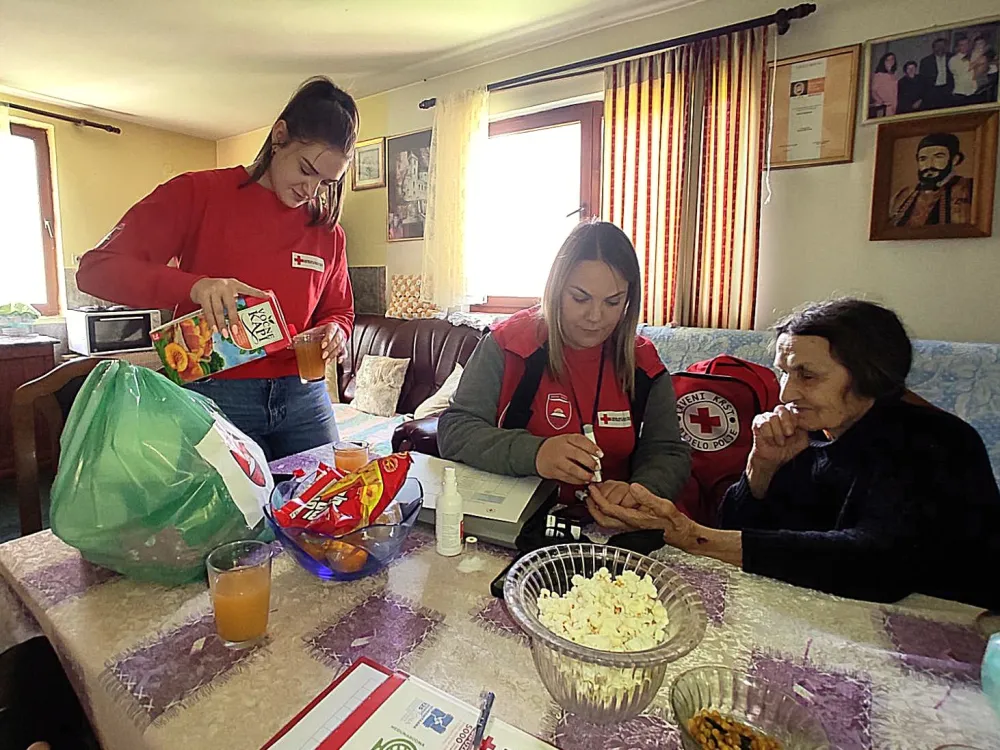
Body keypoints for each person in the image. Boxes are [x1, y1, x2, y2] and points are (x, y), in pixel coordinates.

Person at [589, 299, 1000, 609]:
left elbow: (878, 564)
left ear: (871, 376)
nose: (786, 393)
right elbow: (741, 530)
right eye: (784, 372)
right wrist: (760, 470)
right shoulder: (812, 431)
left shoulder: (936, 442)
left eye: (808, 375)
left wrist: (693, 536)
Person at [77, 77, 358, 460]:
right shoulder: (197, 193)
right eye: (305, 169)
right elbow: (94, 270)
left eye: (326, 182)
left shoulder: (328, 232)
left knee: (325, 494)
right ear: (279, 137)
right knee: (223, 502)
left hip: (303, 394)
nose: (311, 191)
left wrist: (335, 330)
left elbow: (339, 310)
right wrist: (196, 287)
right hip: (216, 392)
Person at [438, 221, 691, 512]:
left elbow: (669, 452)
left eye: (612, 302)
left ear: (629, 301)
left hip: (612, 523)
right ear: (556, 290)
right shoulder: (507, 344)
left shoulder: (644, 364)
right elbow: (454, 431)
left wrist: (639, 492)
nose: (595, 316)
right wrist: (536, 453)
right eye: (580, 298)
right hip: (515, 516)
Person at [889, 133, 973, 227]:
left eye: (938, 157)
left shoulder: (969, 188)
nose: (929, 165)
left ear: (954, 159)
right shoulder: (904, 195)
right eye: (923, 159)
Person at [919, 37, 955, 109]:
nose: (940, 48)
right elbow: (922, 80)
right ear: (933, 48)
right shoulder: (926, 61)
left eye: (943, 45)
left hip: (948, 90)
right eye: (938, 46)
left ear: (946, 47)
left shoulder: (952, 58)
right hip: (933, 91)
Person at [950, 34, 978, 102]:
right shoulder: (953, 60)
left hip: (974, 92)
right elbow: (964, 72)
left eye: (967, 44)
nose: (965, 46)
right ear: (958, 47)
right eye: (962, 45)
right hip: (960, 93)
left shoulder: (974, 56)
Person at [870, 53, 899, 117]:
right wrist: (880, 101)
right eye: (888, 60)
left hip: (893, 106)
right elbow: (873, 91)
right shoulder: (878, 75)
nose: (890, 61)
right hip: (883, 107)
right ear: (883, 61)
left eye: (892, 59)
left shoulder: (894, 76)